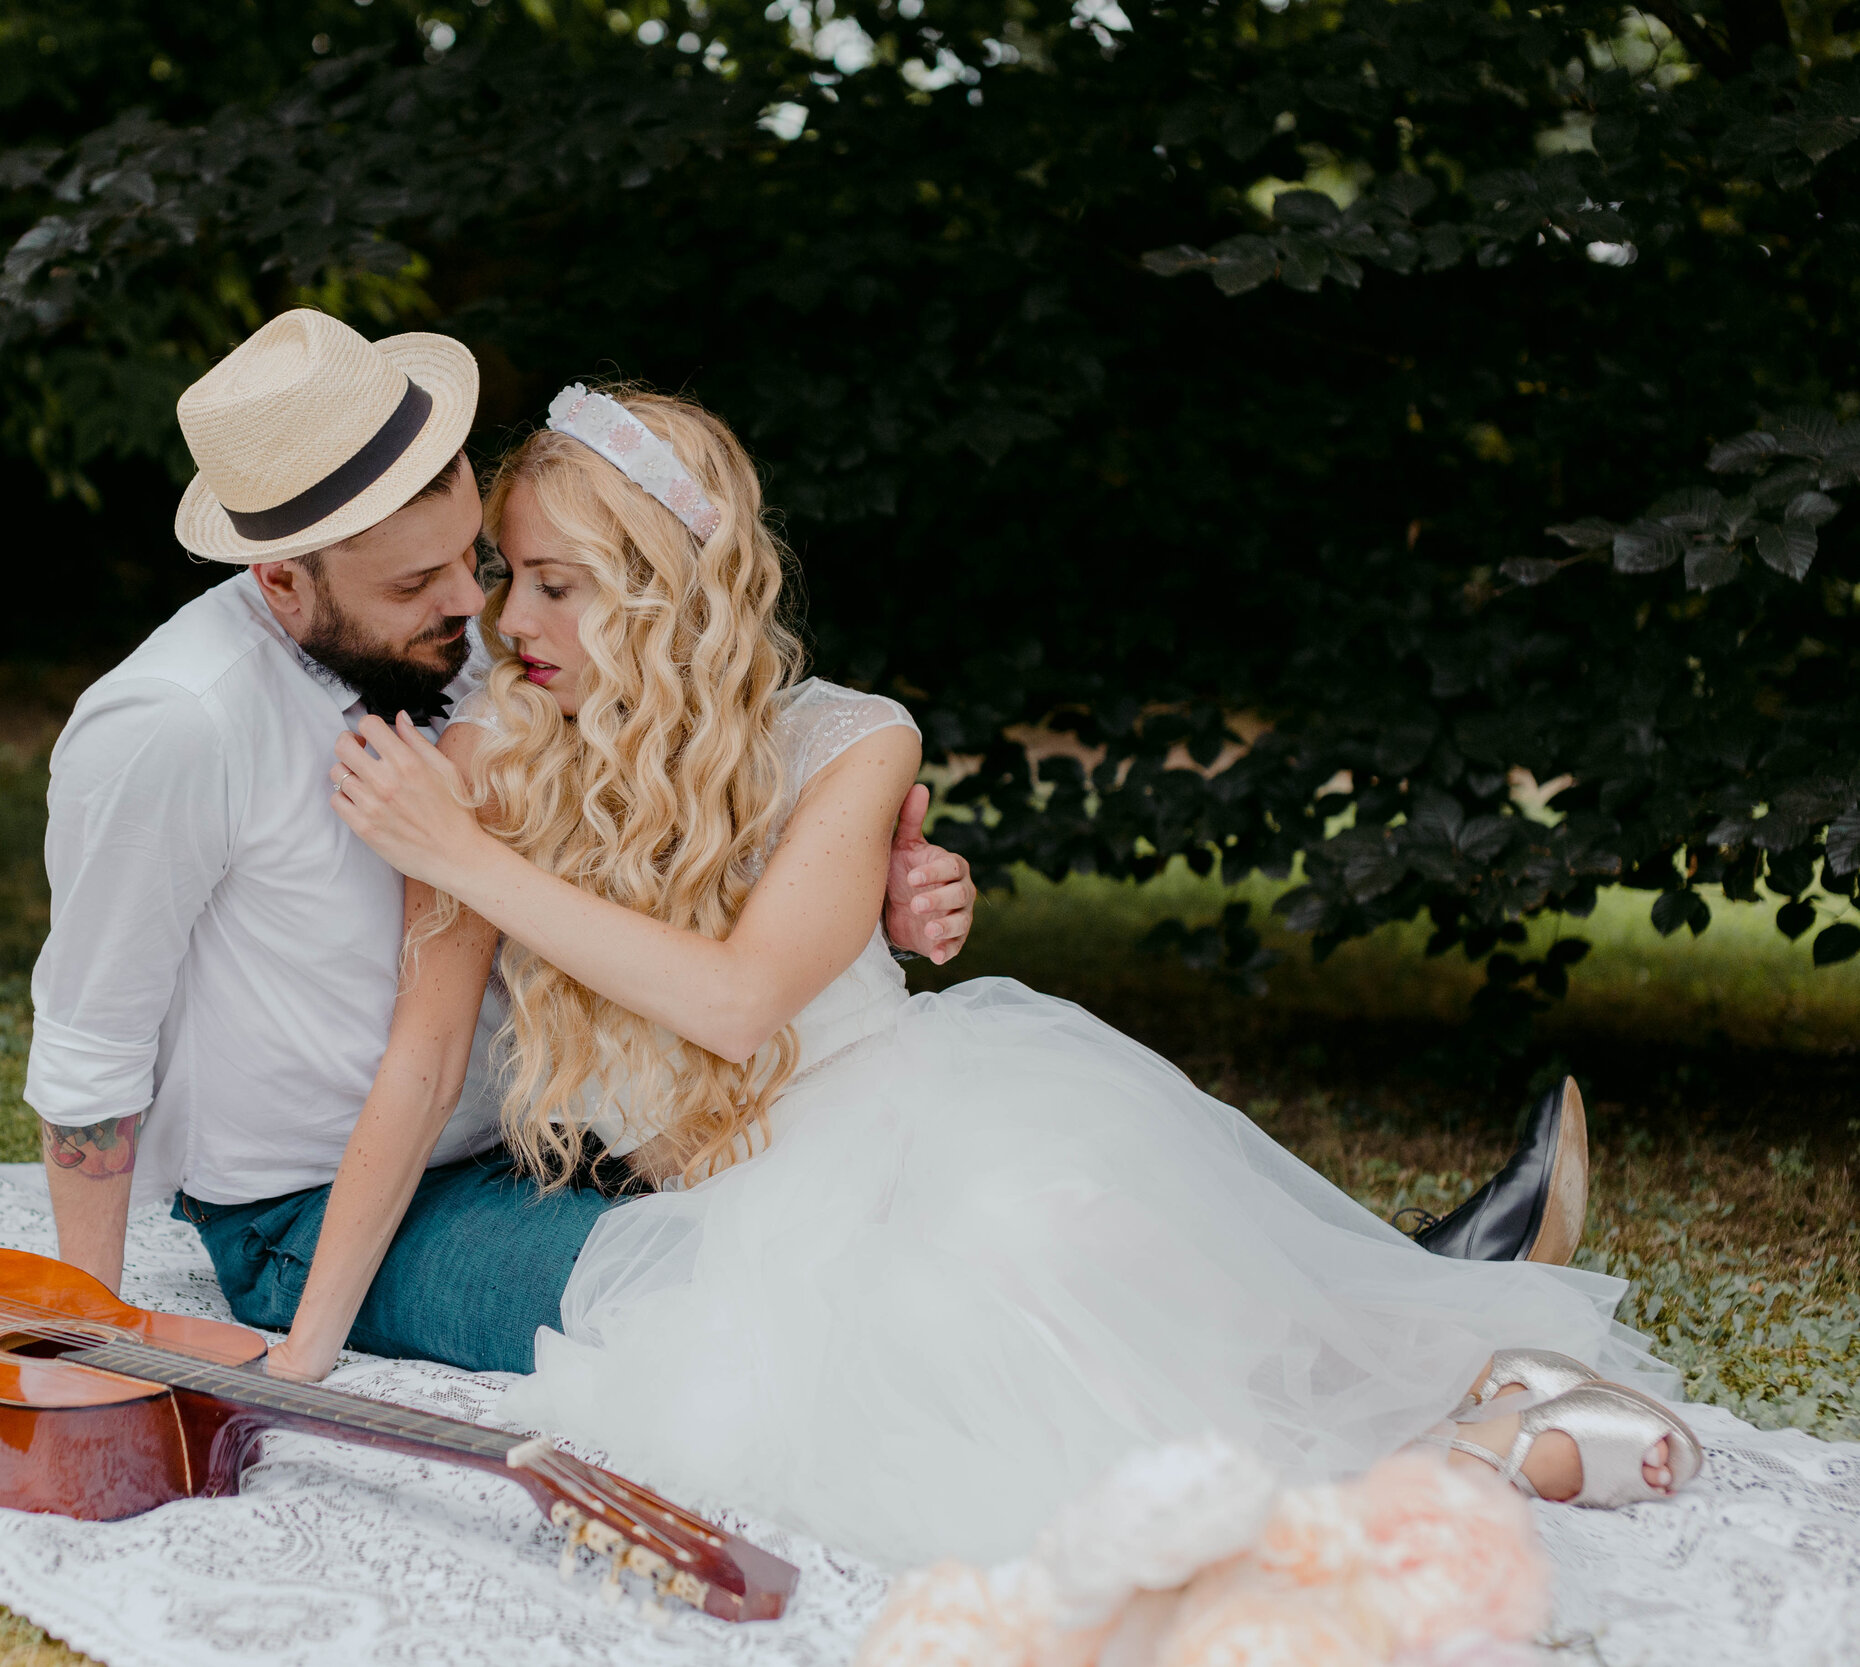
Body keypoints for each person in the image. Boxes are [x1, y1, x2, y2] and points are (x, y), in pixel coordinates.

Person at [322, 382, 1705, 1571]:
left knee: (1055, 1231)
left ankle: (1460, 1380)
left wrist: (477, 865)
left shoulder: (850, 742)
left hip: (931, 1112)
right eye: (507, 574)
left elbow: (738, 1003)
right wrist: (305, 1343)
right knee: (956, 1385)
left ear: (671, 586)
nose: (511, 620)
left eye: (556, 581)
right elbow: (427, 1057)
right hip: (744, 1223)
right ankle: (1457, 1420)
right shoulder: (482, 774)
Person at [23, 309, 982, 1381]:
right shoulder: (176, 722)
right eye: (413, 585)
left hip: (557, 1155)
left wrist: (845, 889)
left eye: (474, 560)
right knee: (729, 1307)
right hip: (323, 1201)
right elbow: (90, 1041)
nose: (476, 610)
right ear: (283, 581)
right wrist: (94, 1331)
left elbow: (677, 794)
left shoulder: (493, 657)